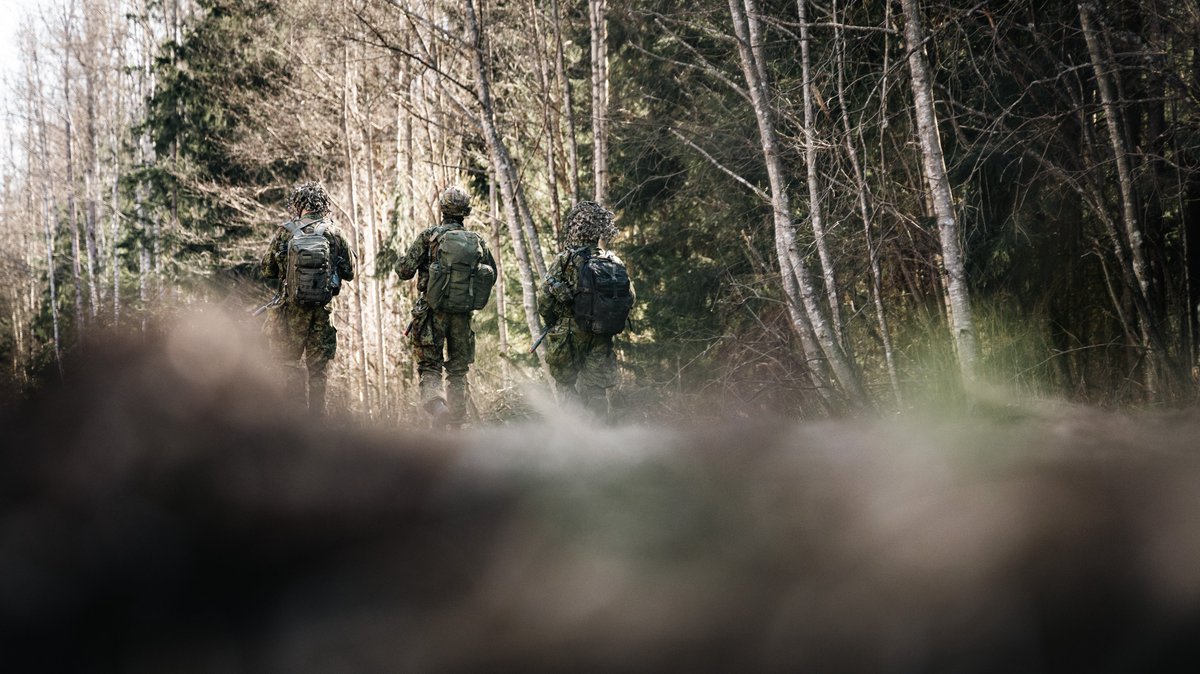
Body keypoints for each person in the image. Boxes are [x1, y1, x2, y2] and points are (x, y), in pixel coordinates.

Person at [397, 186, 497, 429]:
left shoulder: (429, 237)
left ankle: (438, 407)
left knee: (429, 366)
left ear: (442, 209)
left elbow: (404, 271)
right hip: (462, 316)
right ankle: (457, 424)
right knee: (458, 371)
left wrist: (402, 262)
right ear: (466, 212)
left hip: (431, 314)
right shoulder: (477, 241)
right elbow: (491, 275)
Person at [260, 181, 355, 414]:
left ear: (299, 204)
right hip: (321, 313)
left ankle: (297, 419)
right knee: (318, 371)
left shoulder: (286, 231)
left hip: (290, 313)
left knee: (289, 364)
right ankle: (317, 421)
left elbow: (267, 270)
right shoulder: (334, 232)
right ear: (323, 204)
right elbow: (350, 272)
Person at [537, 201, 632, 420]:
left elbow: (544, 300)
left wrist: (552, 321)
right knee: (596, 387)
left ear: (575, 230)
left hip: (568, 334)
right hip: (601, 332)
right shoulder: (612, 260)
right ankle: (599, 436)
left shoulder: (565, 260)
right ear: (598, 231)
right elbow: (630, 297)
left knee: (565, 384)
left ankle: (575, 435)